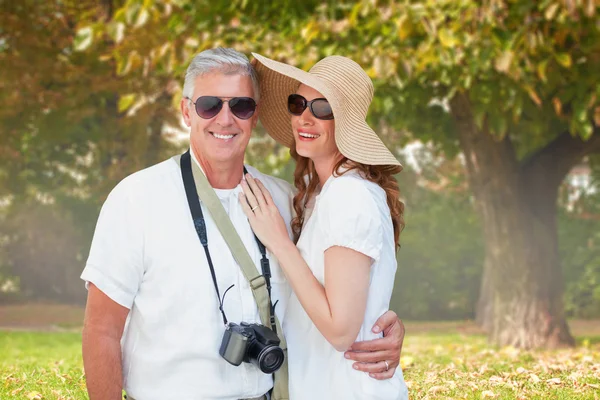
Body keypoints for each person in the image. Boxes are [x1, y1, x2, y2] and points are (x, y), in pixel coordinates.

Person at [81, 48, 405, 400]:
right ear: (186, 111)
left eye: (241, 106)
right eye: (209, 105)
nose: (225, 119)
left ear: (255, 115)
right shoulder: (137, 199)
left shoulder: (286, 202)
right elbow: (100, 328)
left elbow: (340, 287)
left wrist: (380, 325)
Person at [237, 53, 409, 399]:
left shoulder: (350, 195)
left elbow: (341, 330)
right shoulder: (324, 193)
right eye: (298, 103)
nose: (305, 117)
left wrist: (280, 242)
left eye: (322, 108)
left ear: (345, 122)